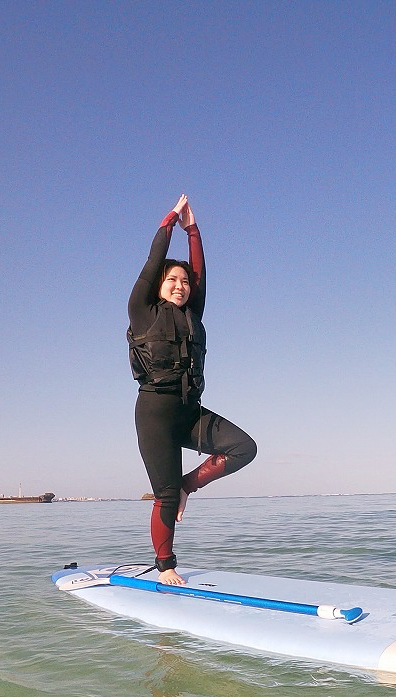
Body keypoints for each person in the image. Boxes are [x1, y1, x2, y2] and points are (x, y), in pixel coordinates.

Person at [128, 195, 257, 585]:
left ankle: (188, 485)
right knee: (165, 496)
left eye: (184, 282)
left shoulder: (191, 315)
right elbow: (153, 262)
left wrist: (194, 231)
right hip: (155, 414)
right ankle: (165, 565)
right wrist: (171, 221)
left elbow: (199, 272)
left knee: (244, 448)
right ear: (159, 286)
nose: (181, 286)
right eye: (172, 280)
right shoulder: (142, 311)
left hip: (190, 410)